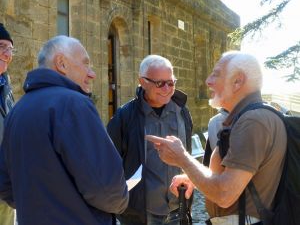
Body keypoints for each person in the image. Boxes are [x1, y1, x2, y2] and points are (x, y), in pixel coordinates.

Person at [146, 51, 287, 225]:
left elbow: (224, 194)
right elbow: (229, 179)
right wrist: (193, 176)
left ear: (237, 81)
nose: (208, 81)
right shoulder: (249, 117)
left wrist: (182, 159)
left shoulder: (253, 121)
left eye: (217, 74)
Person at [0, 35, 129, 225]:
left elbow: (5, 184)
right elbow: (108, 192)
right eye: (86, 64)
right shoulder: (74, 104)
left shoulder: (17, 110)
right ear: (61, 63)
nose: (92, 73)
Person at [107, 55, 193, 225]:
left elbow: (187, 155)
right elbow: (109, 163)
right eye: (160, 83)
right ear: (143, 81)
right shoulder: (125, 116)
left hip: (179, 208)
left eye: (171, 82)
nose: (167, 88)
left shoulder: (182, 112)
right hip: (141, 214)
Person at [0, 23, 15, 225]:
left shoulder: (5, 86)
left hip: (5, 185)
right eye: (2, 46)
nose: (7, 54)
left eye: (10, 49)